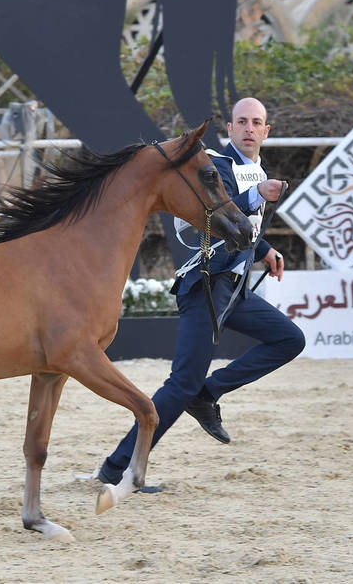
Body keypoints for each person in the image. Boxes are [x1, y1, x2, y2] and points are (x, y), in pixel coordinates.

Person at [97, 97, 305, 486]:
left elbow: (241, 225)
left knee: (289, 339)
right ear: (230, 129)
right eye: (240, 121)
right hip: (206, 286)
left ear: (266, 131)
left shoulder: (256, 170)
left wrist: (266, 250)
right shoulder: (216, 167)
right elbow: (211, 215)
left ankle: (207, 393)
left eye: (255, 122)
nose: (248, 128)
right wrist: (258, 195)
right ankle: (117, 468)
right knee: (181, 383)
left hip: (234, 289)